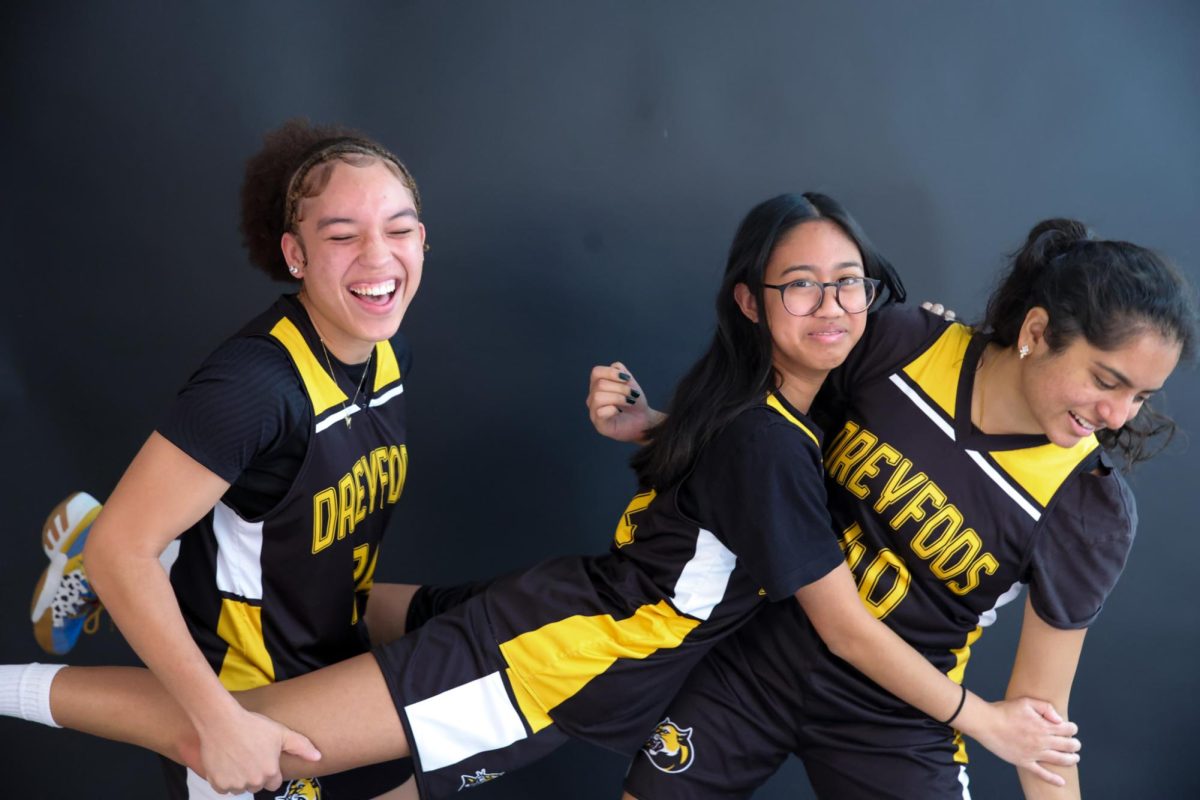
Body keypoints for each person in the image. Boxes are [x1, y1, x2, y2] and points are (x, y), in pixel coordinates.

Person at [1, 194, 1080, 799]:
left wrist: (643, 428)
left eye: (849, 283)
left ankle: (144, 554)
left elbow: (728, 483)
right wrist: (986, 720)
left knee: (335, 630)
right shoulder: (768, 435)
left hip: (578, 639)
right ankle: (30, 659)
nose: (833, 304)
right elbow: (840, 622)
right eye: (802, 285)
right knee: (241, 745)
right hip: (555, 657)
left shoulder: (764, 413)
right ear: (753, 302)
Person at [585, 218, 1197, 799]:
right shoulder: (902, 343)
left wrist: (1014, 741)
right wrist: (659, 429)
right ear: (1036, 332)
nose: (1117, 416)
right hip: (757, 656)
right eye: (1106, 380)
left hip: (897, 718)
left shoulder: (1087, 506)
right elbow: (768, 448)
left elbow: (1042, 719)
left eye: (1139, 396)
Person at [25, 119, 428, 799]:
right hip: (247, 686)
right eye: (341, 235)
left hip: (331, 662)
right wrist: (217, 722)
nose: (378, 256)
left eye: (399, 228)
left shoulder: (388, 355)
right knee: (125, 544)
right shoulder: (253, 387)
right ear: (295, 255)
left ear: (423, 238)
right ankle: (130, 541)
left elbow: (292, 528)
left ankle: (152, 539)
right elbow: (119, 553)